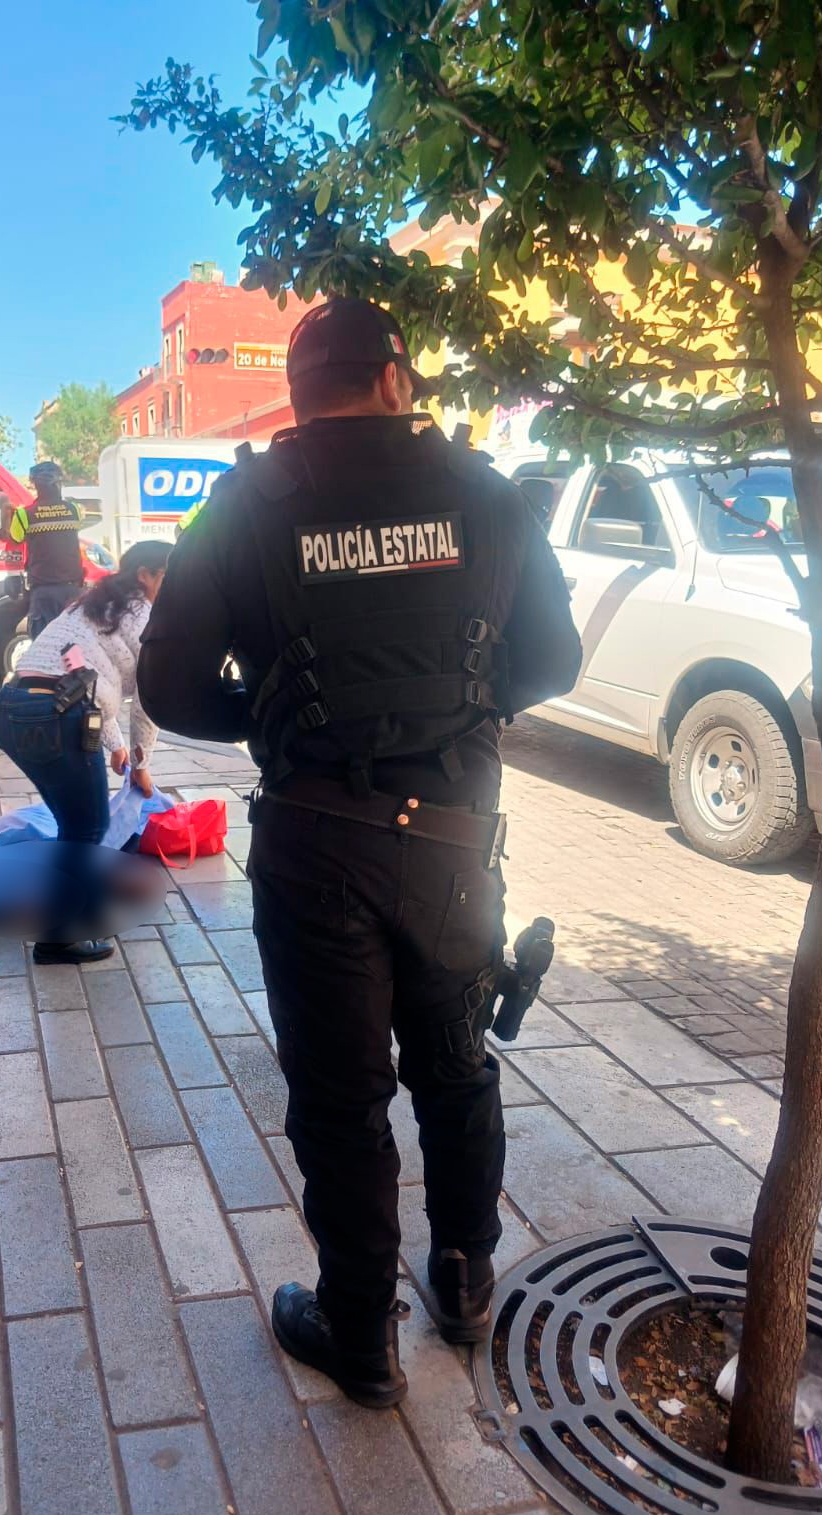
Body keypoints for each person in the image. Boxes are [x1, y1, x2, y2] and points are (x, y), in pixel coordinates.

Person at [137, 298, 582, 1407]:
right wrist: (460, 714)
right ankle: (467, 1276)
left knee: (340, 1100)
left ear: (298, 394)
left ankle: (359, 1330)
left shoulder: (245, 505)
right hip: (454, 850)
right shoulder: (485, 495)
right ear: (396, 378)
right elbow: (555, 658)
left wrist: (276, 715)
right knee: (458, 1063)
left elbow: (169, 683)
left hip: (314, 847)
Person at [0, 540, 169, 965]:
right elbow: (149, 698)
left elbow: (81, 675)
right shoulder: (146, 615)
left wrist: (118, 747)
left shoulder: (93, 605)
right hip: (58, 718)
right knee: (87, 827)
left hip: (15, 708)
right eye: (169, 575)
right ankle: (59, 936)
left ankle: (77, 900)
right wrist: (141, 764)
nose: (175, 587)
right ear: (145, 575)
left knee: (77, 823)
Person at [9, 461, 86, 639]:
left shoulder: (24, 514)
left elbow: (14, 540)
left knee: (43, 645)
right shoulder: (73, 510)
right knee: (72, 645)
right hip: (72, 591)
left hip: (43, 592)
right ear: (59, 484)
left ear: (35, 485)